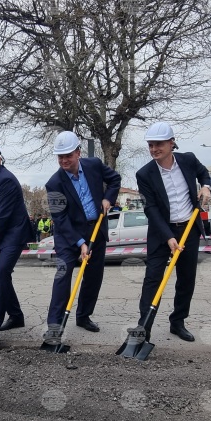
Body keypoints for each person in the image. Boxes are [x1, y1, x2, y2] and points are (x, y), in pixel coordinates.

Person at [135, 122, 211, 342]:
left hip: (188, 228)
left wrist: (205, 186)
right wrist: (168, 237)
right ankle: (144, 329)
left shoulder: (188, 160)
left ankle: (177, 322)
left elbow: (203, 173)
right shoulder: (144, 174)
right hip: (162, 232)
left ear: (171, 143)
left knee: (186, 279)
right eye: (151, 145)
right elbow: (150, 208)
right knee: (153, 280)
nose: (154, 149)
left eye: (158, 144)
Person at [43, 131, 121, 336]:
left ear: (78, 152)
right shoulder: (54, 183)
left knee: (93, 276)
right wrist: (80, 243)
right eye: (60, 156)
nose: (64, 160)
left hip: (96, 228)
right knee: (63, 275)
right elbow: (60, 218)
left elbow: (115, 179)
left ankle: (84, 316)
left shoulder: (94, 165)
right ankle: (54, 325)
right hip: (68, 234)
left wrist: (108, 198)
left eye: (68, 155)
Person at [0, 139, 36, 343]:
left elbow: (3, 214)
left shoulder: (6, 179)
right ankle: (16, 316)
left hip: (13, 234)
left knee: (2, 272)